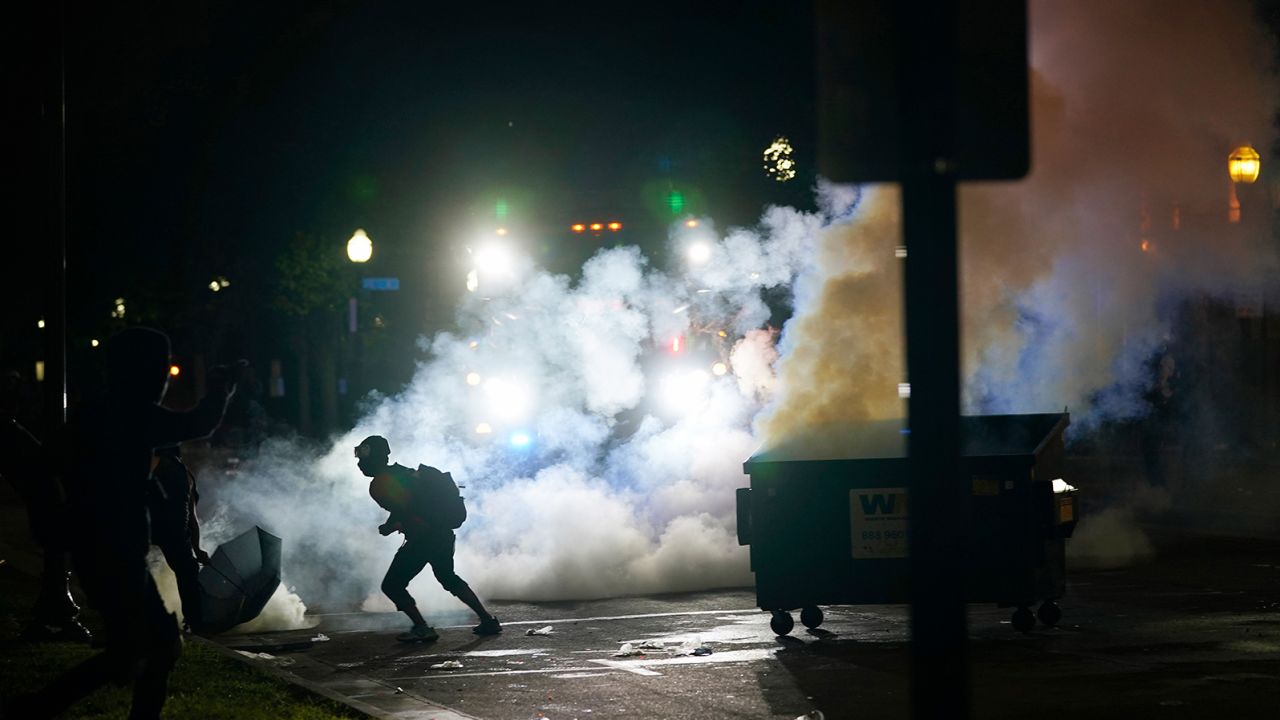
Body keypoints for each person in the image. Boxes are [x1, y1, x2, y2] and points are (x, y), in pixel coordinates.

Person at [8, 327, 234, 720]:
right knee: (156, 647)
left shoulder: (94, 414)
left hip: (105, 553)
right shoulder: (133, 413)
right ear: (145, 372)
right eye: (161, 369)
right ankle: (35, 709)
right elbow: (197, 423)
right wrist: (220, 388)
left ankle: (36, 708)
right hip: (112, 553)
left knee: (137, 650)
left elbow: (47, 466)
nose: (164, 380)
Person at [354, 435, 501, 642]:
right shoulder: (403, 472)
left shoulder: (379, 484)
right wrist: (395, 523)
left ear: (374, 458)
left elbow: (403, 508)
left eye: (362, 459)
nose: (360, 464)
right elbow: (409, 505)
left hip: (423, 539)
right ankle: (487, 620)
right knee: (448, 578)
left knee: (392, 585)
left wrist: (390, 526)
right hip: (442, 534)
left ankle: (421, 627)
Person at [147, 443, 210, 632]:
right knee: (188, 572)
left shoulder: (175, 469)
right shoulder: (183, 472)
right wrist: (196, 548)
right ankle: (194, 621)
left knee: (188, 571)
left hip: (163, 528)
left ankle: (194, 621)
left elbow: (191, 516)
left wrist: (197, 548)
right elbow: (192, 517)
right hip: (169, 529)